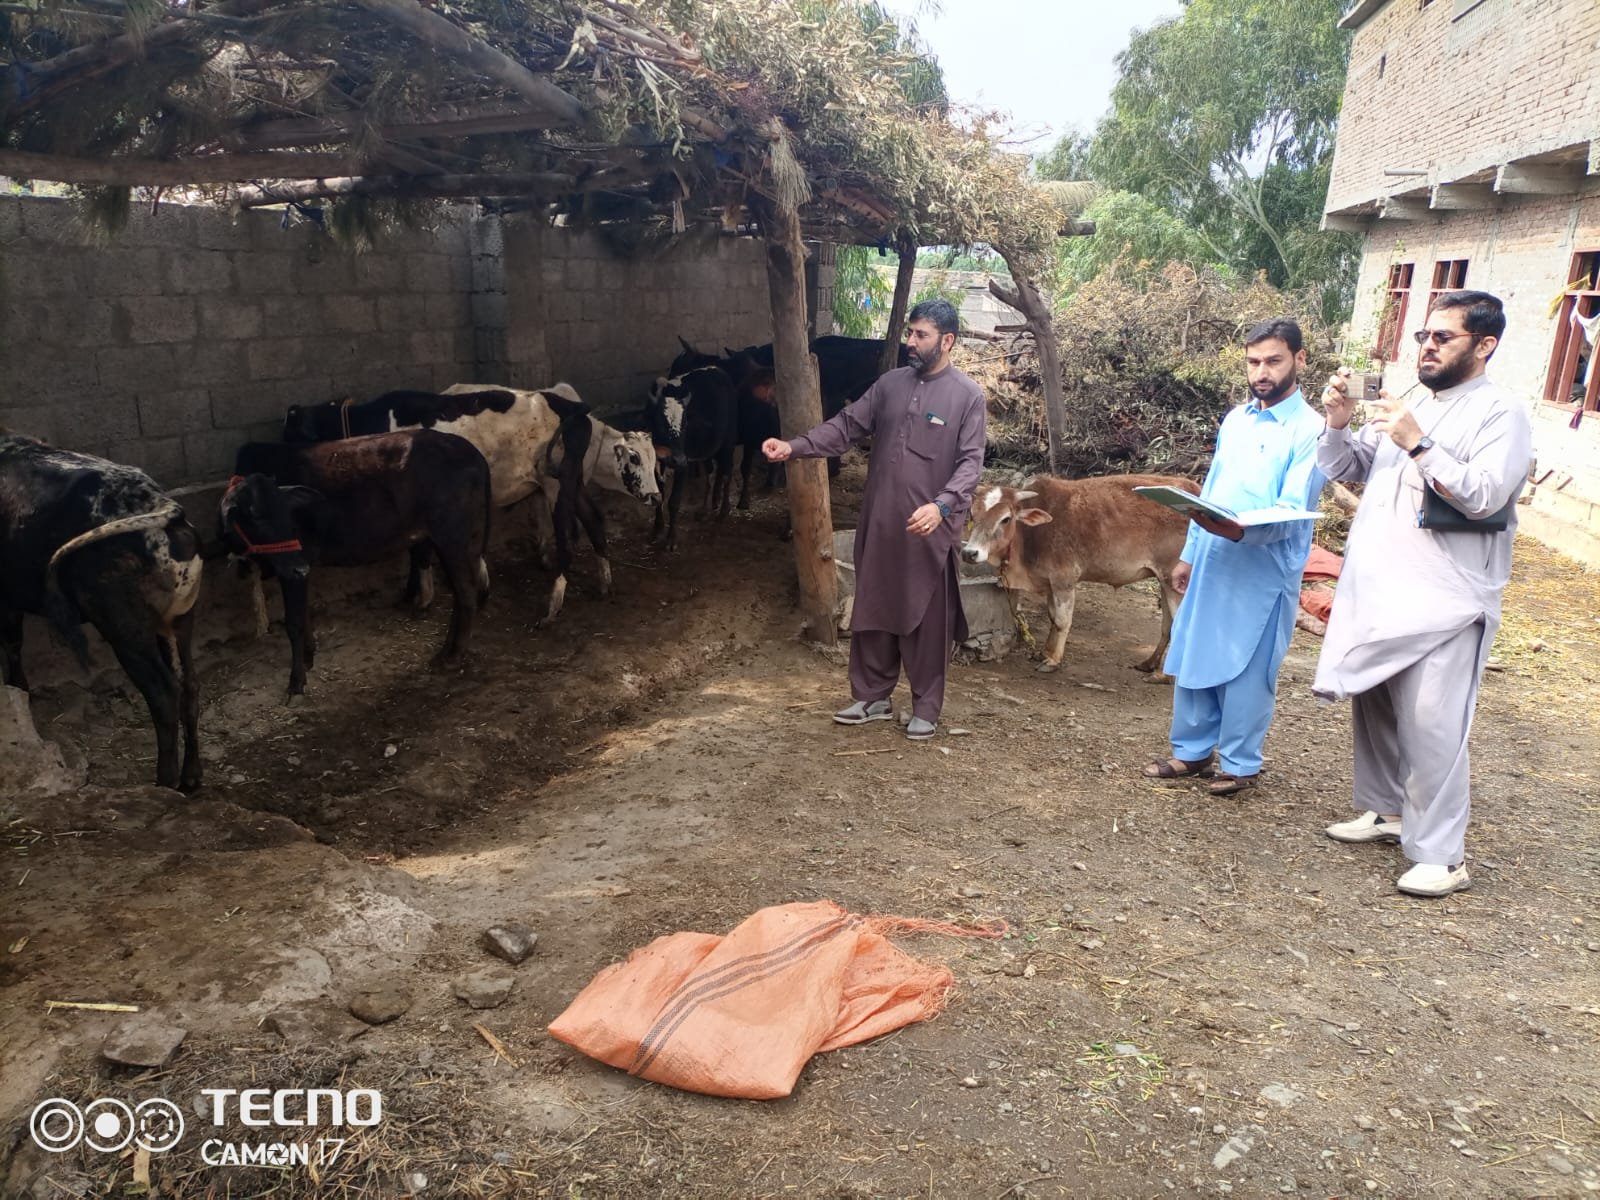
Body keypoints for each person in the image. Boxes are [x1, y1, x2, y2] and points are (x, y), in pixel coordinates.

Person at [1314, 290, 1531, 898]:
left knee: (1433, 723)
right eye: (1423, 337)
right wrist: (1335, 426)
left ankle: (1443, 854)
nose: (1428, 347)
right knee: (1376, 704)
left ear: (1484, 345)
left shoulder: (1500, 413)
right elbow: (1351, 466)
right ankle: (1386, 812)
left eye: (1443, 338)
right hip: (1383, 589)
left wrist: (1417, 441)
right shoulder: (1413, 403)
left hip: (1447, 599)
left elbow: (1486, 494)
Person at [763, 299, 984, 740]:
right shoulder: (890, 385)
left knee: (926, 616)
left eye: (921, 335)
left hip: (930, 530)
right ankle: (872, 696)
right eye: (910, 333)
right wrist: (795, 447)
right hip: (881, 522)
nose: (911, 342)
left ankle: (925, 704)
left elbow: (970, 464)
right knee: (874, 608)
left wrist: (941, 505)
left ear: (948, 340)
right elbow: (845, 426)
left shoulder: (967, 396)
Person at [1142, 317, 1327, 796]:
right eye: (1253, 362)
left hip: (1264, 567)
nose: (1261, 372)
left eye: (1273, 361)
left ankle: (1242, 763)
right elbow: (1214, 489)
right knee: (1197, 650)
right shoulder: (1236, 419)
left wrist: (1240, 531)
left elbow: (1296, 509)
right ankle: (1192, 753)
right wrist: (1189, 553)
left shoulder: (1310, 430)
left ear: (1299, 360)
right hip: (1213, 557)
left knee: (1249, 666)